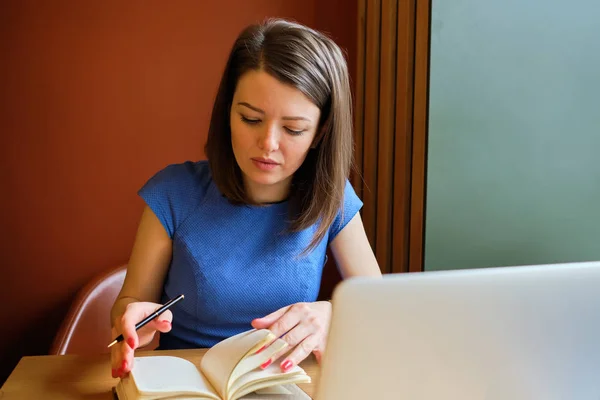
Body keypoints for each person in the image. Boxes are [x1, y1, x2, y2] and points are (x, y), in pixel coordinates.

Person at [109, 18, 381, 379]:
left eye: (293, 128)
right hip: (189, 385)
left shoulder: (333, 199)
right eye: (251, 119)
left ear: (320, 132)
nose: (268, 143)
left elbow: (378, 308)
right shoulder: (173, 194)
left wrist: (333, 314)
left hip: (288, 385)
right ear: (227, 114)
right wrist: (130, 321)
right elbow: (127, 305)